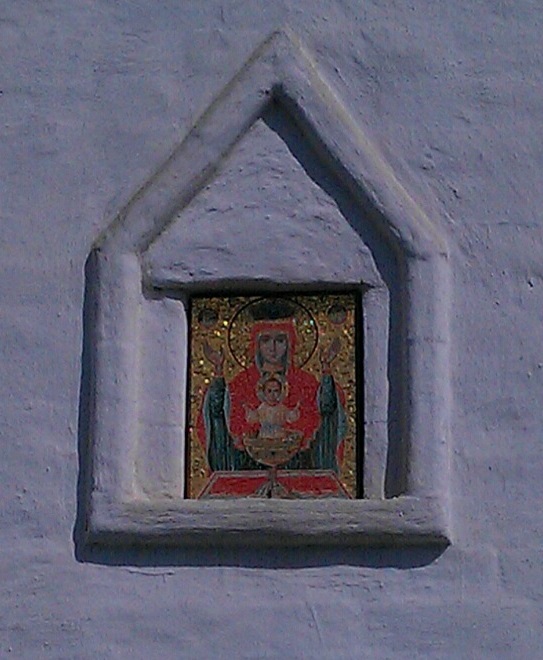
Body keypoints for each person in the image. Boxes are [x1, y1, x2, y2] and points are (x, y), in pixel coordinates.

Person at [198, 300, 347, 479]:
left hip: (299, 464)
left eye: (280, 340)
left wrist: (326, 369)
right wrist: (218, 370)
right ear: (256, 344)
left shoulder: (306, 382)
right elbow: (217, 414)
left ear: (290, 343)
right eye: (266, 340)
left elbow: (327, 411)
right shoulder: (240, 383)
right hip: (248, 464)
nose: (273, 348)